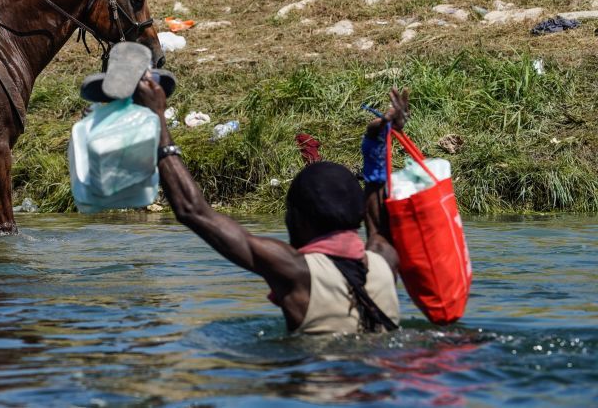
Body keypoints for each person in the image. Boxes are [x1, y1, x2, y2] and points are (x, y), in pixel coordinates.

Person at [133, 80, 409, 334]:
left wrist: (157, 118)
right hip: (384, 383)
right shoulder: (385, 258)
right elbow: (377, 205)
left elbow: (193, 211)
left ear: (299, 220)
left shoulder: (295, 271)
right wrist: (376, 140)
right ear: (358, 214)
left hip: (318, 380)